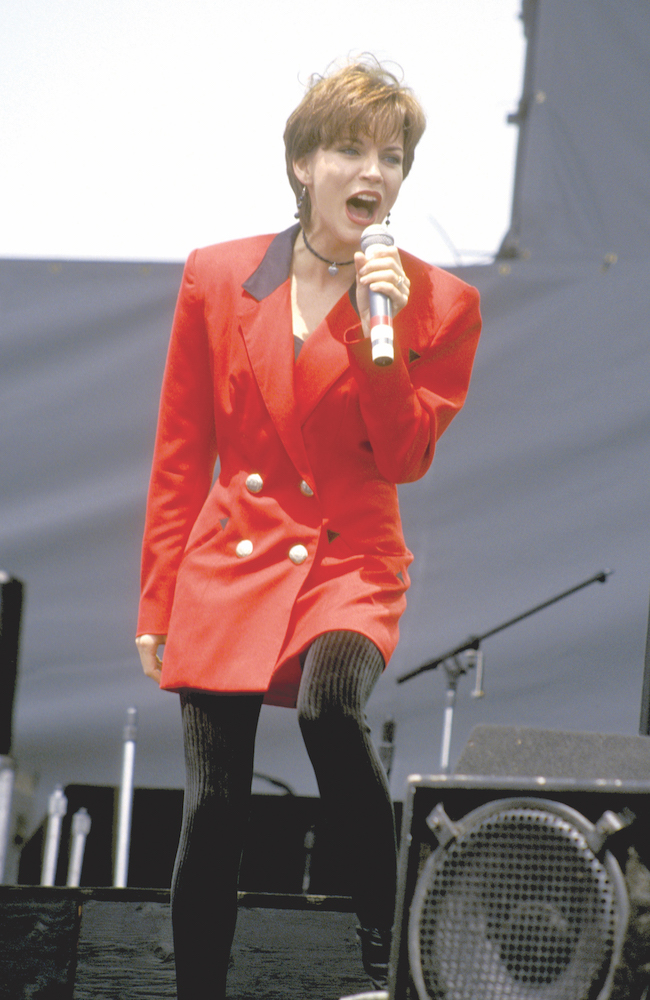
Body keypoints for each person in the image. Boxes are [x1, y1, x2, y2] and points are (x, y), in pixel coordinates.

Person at [136, 56, 481, 999]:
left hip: (351, 558)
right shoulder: (217, 276)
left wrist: (382, 336)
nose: (374, 171)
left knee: (333, 707)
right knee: (214, 806)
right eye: (349, 149)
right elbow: (182, 450)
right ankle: (196, 985)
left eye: (394, 155)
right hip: (228, 557)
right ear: (303, 163)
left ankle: (385, 919)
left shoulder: (438, 303)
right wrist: (157, 600)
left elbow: (406, 457)